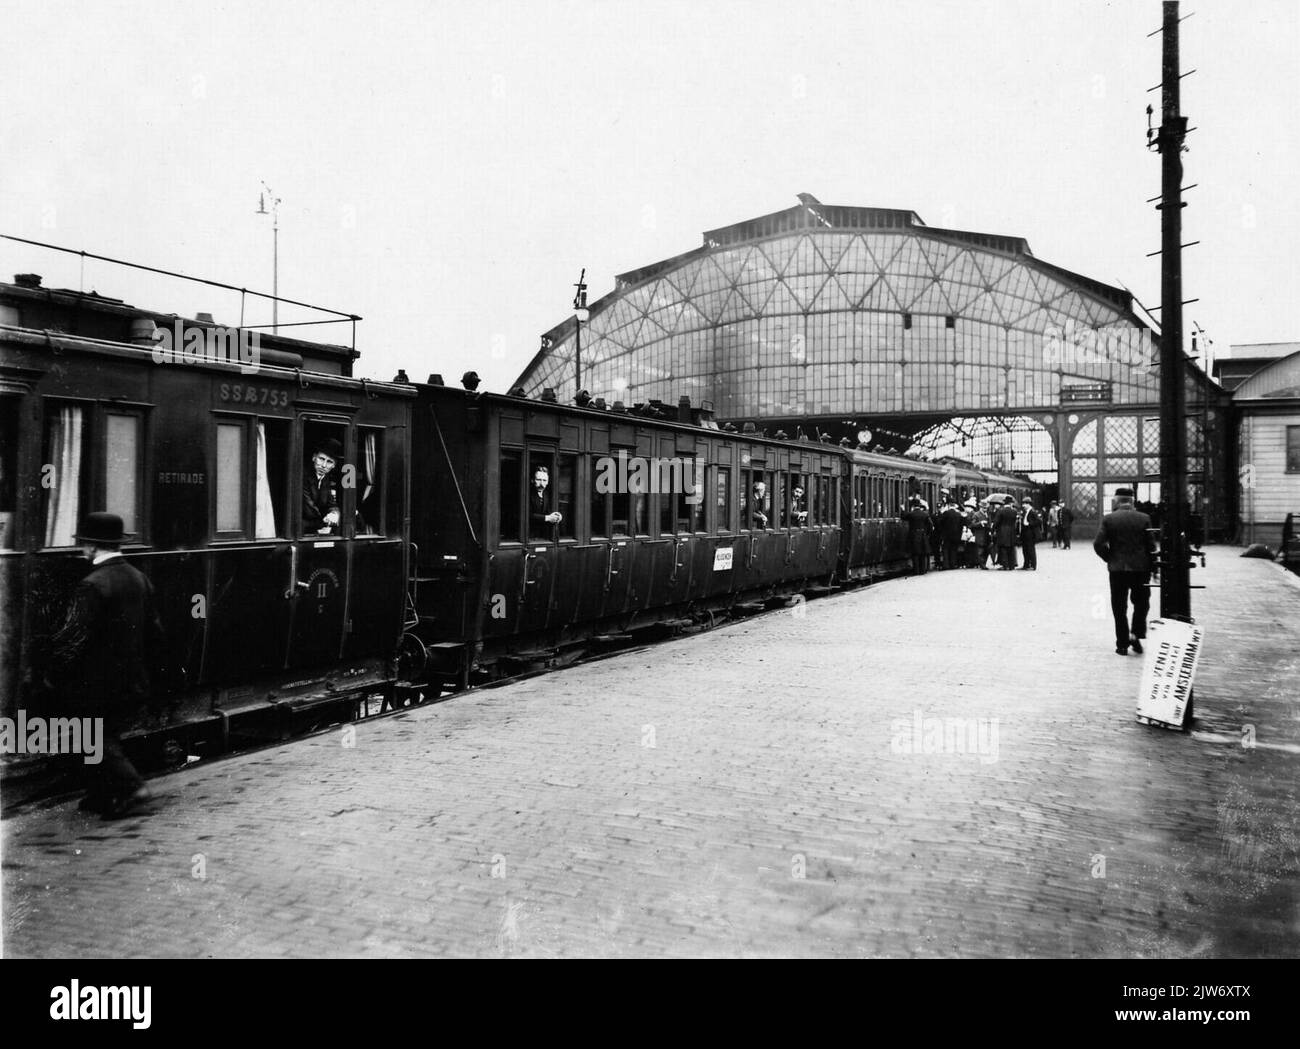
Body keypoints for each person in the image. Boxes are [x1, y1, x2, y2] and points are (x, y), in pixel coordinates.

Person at [47, 512, 163, 819]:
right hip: (133, 679)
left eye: (84, 544)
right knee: (105, 733)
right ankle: (100, 793)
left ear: (91, 546)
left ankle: (132, 788)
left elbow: (73, 640)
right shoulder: (139, 578)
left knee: (92, 736)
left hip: (96, 683)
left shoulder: (92, 584)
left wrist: (53, 674)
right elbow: (156, 634)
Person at [1093, 488, 1156, 656]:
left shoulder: (1109, 519)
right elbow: (1151, 547)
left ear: (1117, 501)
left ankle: (1122, 644)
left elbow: (1098, 544)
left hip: (1118, 570)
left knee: (1119, 607)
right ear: (1132, 501)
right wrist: (1153, 567)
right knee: (1142, 603)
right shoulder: (1144, 518)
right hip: (1141, 569)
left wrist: (1110, 558)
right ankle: (1136, 634)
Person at [303, 437, 343, 535]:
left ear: (334, 465)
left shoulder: (326, 479)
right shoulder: (303, 476)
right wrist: (325, 520)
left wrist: (334, 514)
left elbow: (331, 503)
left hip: (316, 528)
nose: (324, 465)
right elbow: (308, 509)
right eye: (321, 459)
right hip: (301, 530)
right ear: (314, 458)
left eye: (329, 462)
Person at [528, 464, 562, 536]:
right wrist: (548, 518)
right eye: (538, 480)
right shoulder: (526, 494)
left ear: (547, 482)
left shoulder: (547, 494)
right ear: (532, 480)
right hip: (529, 535)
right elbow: (527, 515)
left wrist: (558, 516)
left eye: (544, 480)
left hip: (544, 535)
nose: (542, 484)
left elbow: (549, 510)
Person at [902, 497, 933, 575]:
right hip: (923, 535)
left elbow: (903, 517)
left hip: (914, 535)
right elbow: (930, 525)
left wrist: (902, 509)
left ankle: (916, 571)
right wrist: (927, 534)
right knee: (922, 553)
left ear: (913, 506)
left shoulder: (911, 514)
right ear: (919, 505)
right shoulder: (925, 514)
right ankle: (922, 570)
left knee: (915, 553)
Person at [994, 496, 1019, 569]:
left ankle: (1005, 565)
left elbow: (996, 522)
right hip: (1011, 532)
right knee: (1011, 548)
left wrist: (993, 529)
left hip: (1002, 532)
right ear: (1010, 503)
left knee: (1003, 549)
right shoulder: (1014, 511)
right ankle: (1011, 566)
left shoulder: (1001, 511)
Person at [939, 498, 965, 570]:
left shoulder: (946, 513)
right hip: (956, 535)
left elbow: (940, 523)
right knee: (953, 550)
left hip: (947, 535)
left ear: (948, 505)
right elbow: (961, 525)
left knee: (946, 549)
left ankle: (946, 565)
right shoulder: (958, 514)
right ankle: (953, 564)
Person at [966, 499, 988, 569]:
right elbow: (972, 524)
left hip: (986, 534)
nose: (985, 509)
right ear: (981, 507)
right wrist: (980, 523)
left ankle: (984, 563)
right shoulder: (976, 514)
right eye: (984, 508)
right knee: (980, 550)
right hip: (979, 534)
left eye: (986, 508)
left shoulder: (987, 514)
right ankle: (982, 565)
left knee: (986, 550)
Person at [1019, 499, 1041, 570]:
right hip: (1025, 533)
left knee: (1031, 550)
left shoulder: (1033, 512)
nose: (1023, 505)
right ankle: (1026, 564)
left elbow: (1039, 521)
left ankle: (1033, 565)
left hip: (1030, 533)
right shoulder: (1026, 512)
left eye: (1024, 504)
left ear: (1028, 504)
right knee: (1025, 550)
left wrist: (1030, 524)